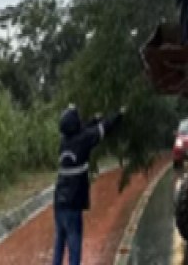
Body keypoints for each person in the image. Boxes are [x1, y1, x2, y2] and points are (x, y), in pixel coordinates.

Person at [52, 104, 125, 265]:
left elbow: (82, 129)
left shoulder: (64, 142)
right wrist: (118, 114)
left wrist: (93, 119)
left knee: (59, 243)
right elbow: (102, 129)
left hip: (59, 202)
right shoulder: (83, 141)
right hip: (73, 203)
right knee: (74, 245)